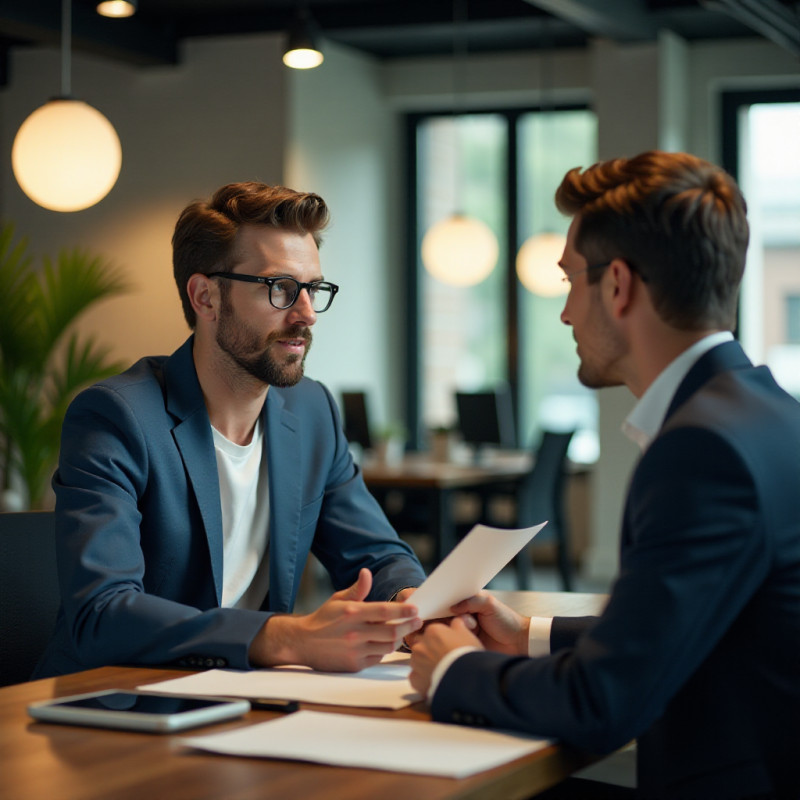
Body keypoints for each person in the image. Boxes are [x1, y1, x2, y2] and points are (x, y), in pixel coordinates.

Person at [409, 151, 800, 799]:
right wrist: (528, 634)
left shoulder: (702, 449)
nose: (564, 314)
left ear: (617, 285)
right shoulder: (768, 413)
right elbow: (688, 624)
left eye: (569, 281)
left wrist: (454, 668)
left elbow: (604, 701)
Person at [34, 182, 424, 679]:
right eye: (279, 288)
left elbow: (378, 553)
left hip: (243, 698)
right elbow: (102, 613)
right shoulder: (117, 417)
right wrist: (287, 637)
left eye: (313, 289)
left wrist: (413, 605)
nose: (305, 314)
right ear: (205, 297)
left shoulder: (311, 411)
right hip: (112, 703)